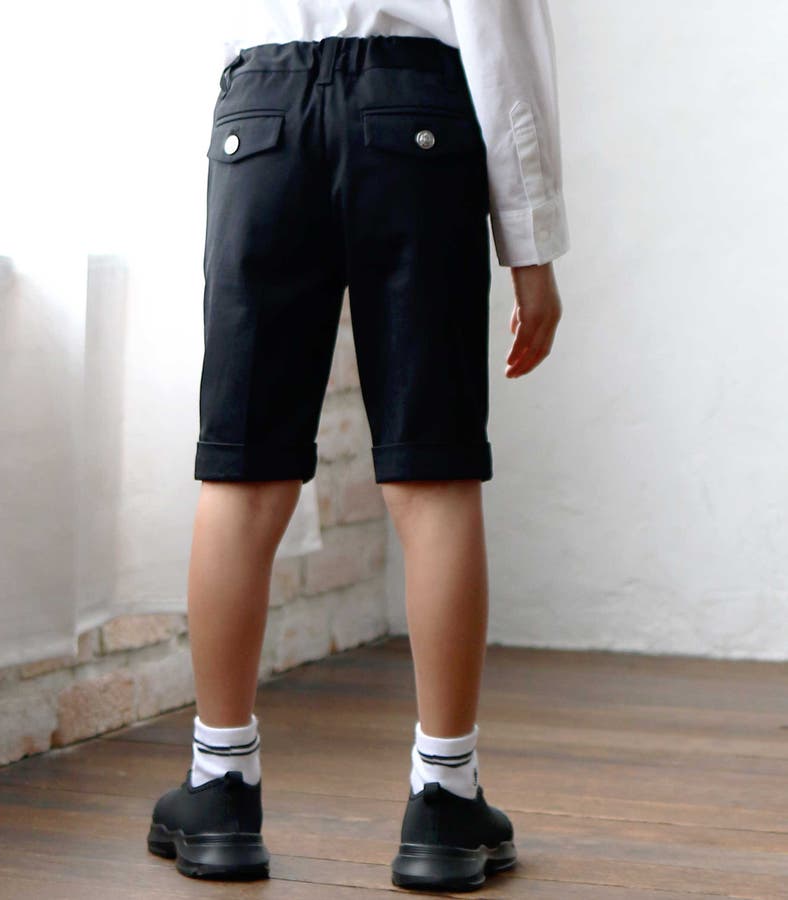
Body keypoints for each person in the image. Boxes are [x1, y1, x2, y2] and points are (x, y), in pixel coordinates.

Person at [147, 0, 567, 892]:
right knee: (433, 468)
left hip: (258, 112)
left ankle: (220, 787)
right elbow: (498, 32)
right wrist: (530, 247)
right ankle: (445, 801)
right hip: (411, 119)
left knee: (243, 467)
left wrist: (253, 110)